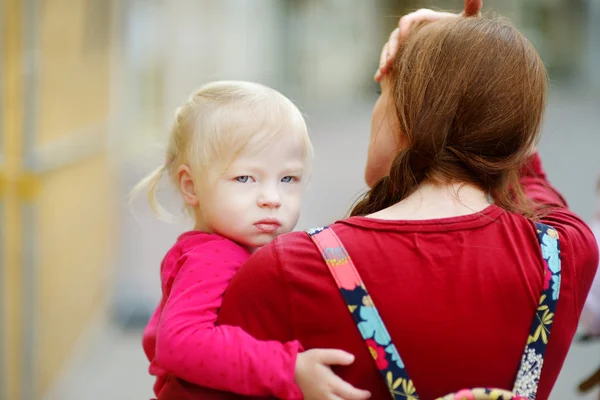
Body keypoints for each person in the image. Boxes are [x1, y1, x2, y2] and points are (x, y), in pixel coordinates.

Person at [157, 2, 599, 399]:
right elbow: (527, 178)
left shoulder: (295, 268)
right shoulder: (564, 251)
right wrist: (480, 78)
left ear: (406, 120)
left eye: (381, 93)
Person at [134, 81, 371, 400]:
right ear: (191, 187)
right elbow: (178, 343)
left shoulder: (223, 249)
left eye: (288, 178)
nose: (272, 198)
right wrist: (287, 369)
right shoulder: (213, 256)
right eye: (244, 178)